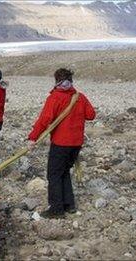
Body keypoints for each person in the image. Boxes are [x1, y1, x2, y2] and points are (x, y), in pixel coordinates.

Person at [28, 68, 96, 219]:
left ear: (56, 80)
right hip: (76, 143)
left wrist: (33, 137)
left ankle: (56, 209)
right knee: (64, 171)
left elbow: (44, 120)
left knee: (54, 174)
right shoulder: (79, 97)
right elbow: (91, 115)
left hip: (61, 143)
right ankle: (69, 205)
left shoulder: (55, 98)